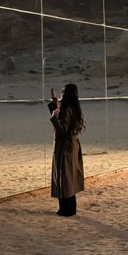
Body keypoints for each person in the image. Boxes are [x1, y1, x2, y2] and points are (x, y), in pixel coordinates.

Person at [48, 83, 85, 216]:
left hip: (65, 146)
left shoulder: (67, 109)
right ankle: (70, 209)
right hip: (73, 145)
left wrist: (53, 116)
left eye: (63, 93)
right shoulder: (75, 107)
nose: (61, 95)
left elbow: (62, 129)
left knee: (63, 176)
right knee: (70, 176)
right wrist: (55, 105)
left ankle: (65, 210)